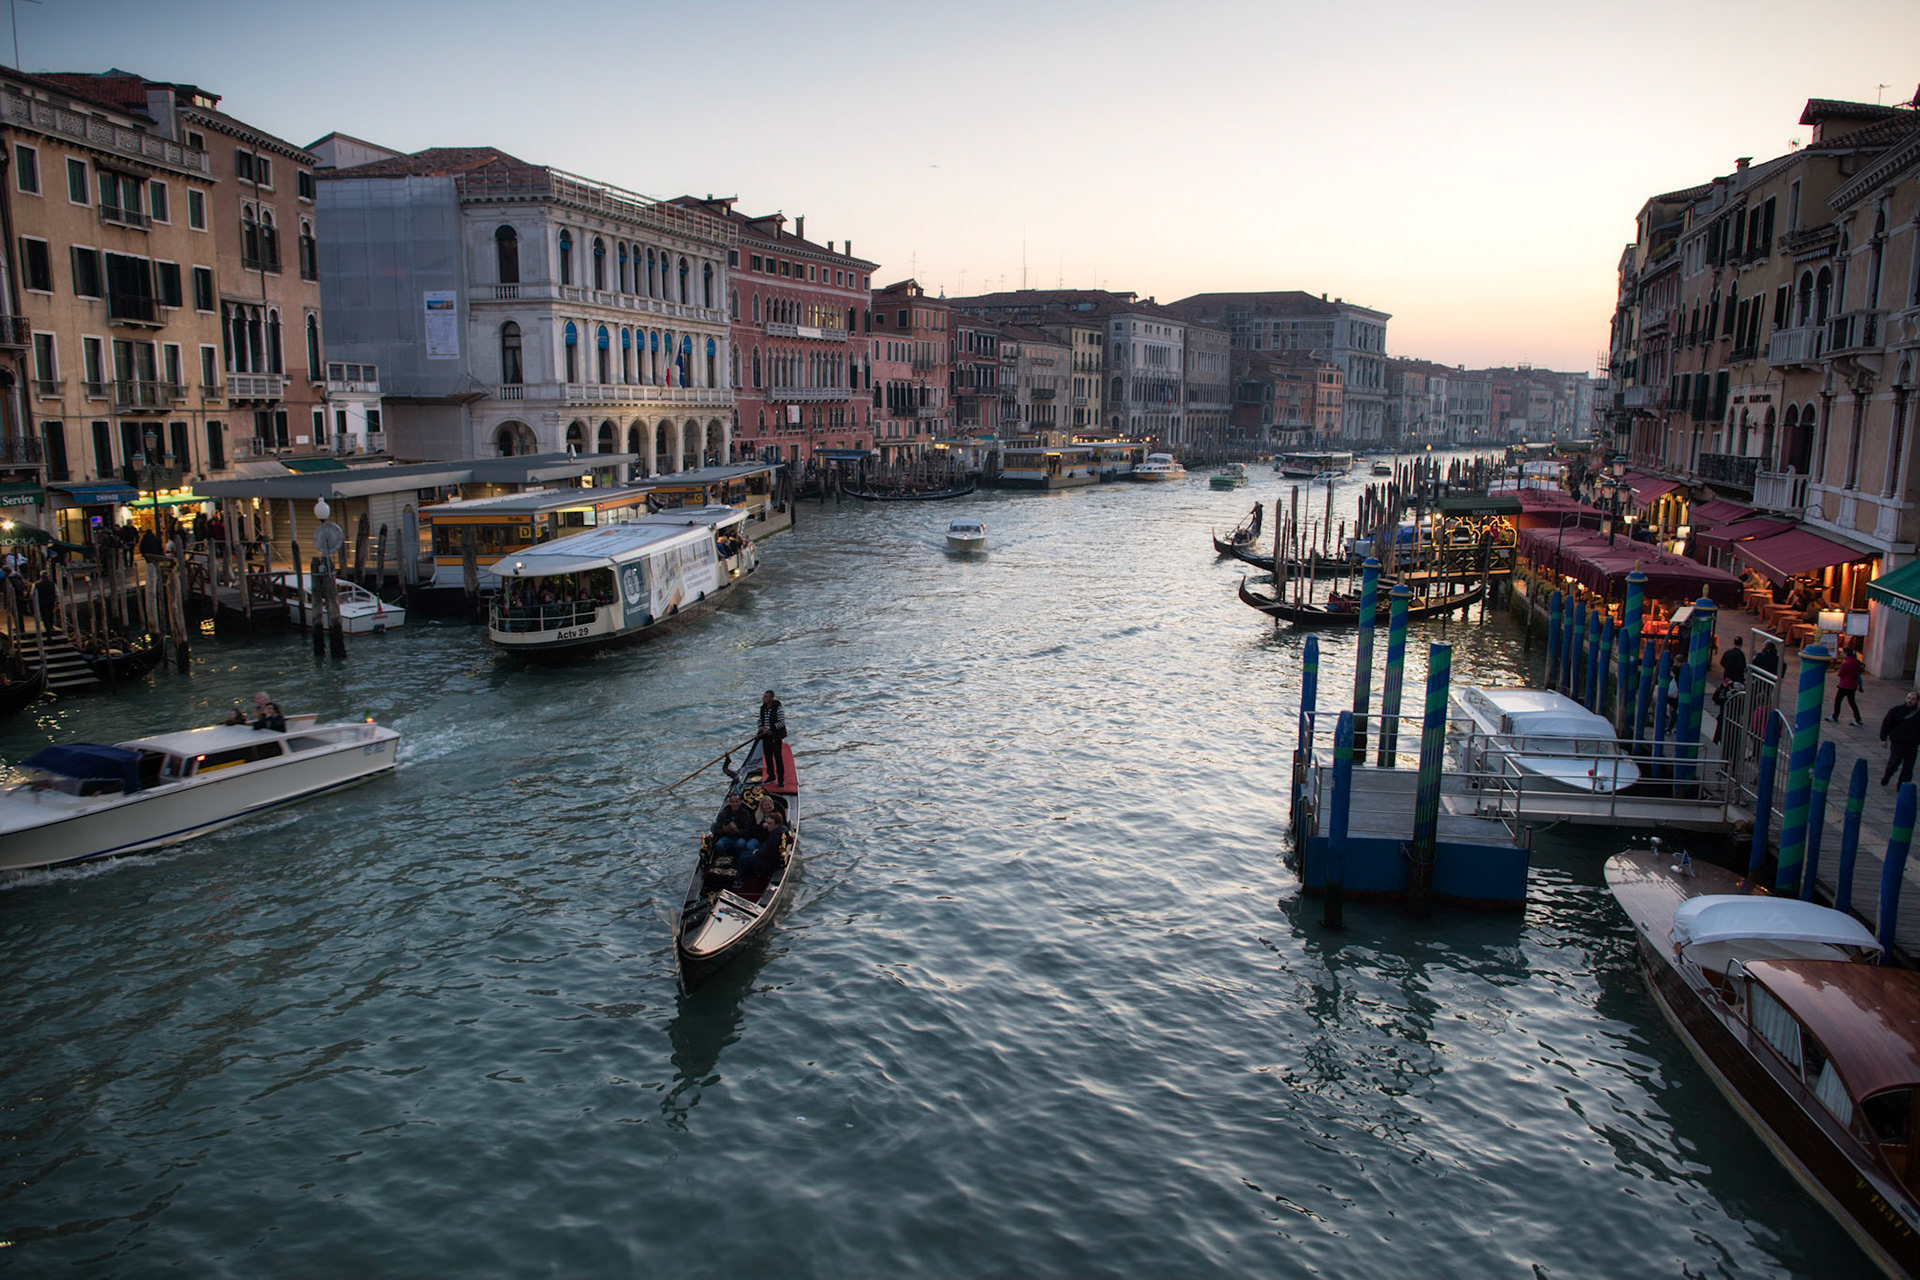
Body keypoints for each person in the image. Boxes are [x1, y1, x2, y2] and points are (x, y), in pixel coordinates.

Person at [1882, 691, 1920, 788]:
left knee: (1908, 767)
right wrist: (1883, 738)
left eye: (1913, 699)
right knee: (1894, 763)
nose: (1910, 701)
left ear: (1917, 701)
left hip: (1912, 744)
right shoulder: (1897, 710)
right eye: (1908, 698)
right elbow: (1887, 724)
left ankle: (1902, 786)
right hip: (1897, 742)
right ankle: (1887, 775)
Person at [756, 689, 787, 787]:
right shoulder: (763, 708)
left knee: (778, 759)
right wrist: (761, 727)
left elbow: (782, 723)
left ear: (771, 698)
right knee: (768, 758)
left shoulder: (778, 709)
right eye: (764, 696)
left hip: (775, 737)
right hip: (766, 737)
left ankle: (781, 780)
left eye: (766, 697)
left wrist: (770, 729)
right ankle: (771, 776)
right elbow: (760, 720)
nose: (763, 698)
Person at [1831, 645, 1866, 726]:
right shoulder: (1856, 661)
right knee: (1852, 702)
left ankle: (1835, 716)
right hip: (1853, 684)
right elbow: (1859, 671)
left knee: (1838, 700)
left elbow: (1840, 674)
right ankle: (1858, 719)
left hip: (1844, 684)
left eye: (1842, 652)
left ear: (1846, 653)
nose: (1841, 654)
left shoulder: (1846, 663)